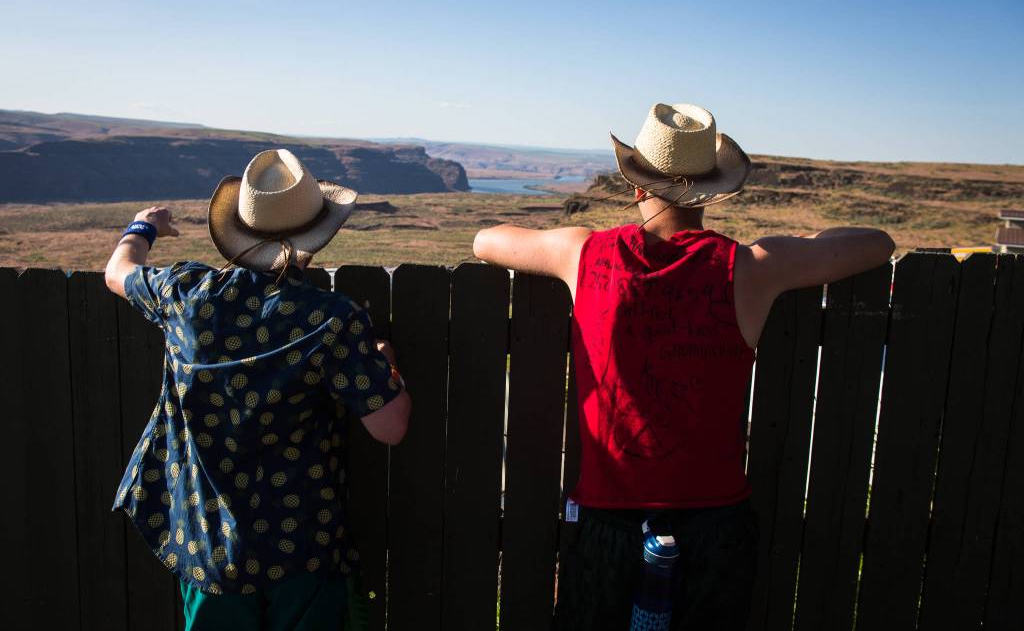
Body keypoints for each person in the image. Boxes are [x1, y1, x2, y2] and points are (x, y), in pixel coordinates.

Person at [473, 103, 895, 631]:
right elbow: (877, 243)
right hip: (716, 524)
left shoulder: (582, 253)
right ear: (713, 192)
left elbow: (485, 239)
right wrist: (805, 242)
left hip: (608, 518)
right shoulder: (753, 268)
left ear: (635, 185)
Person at [104, 149, 411, 630]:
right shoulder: (330, 320)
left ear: (239, 229)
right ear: (318, 231)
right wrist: (385, 364)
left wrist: (142, 226)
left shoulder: (185, 295)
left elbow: (117, 273)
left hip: (207, 548)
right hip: (302, 551)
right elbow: (391, 427)